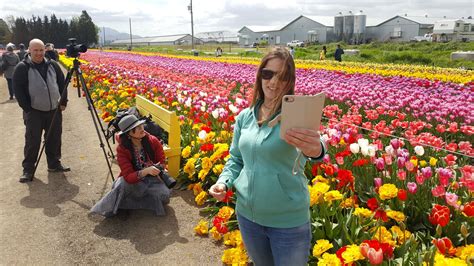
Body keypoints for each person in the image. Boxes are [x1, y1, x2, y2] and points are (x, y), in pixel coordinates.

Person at [208, 47, 326, 266]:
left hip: (287, 222)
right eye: (268, 74)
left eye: (282, 76)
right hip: (247, 216)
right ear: (260, 75)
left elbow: (317, 147)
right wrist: (223, 182)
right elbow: (236, 159)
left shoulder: (296, 114)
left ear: (290, 80)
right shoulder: (246, 116)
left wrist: (316, 150)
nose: (273, 82)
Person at [90, 114, 171, 217]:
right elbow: (128, 177)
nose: (142, 129)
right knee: (121, 184)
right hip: (133, 182)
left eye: (141, 125)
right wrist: (146, 171)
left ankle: (127, 203)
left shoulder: (152, 141)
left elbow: (162, 161)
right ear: (128, 134)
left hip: (151, 180)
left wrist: (160, 168)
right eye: (137, 128)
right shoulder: (122, 149)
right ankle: (118, 204)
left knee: (165, 195)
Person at [13, 38, 69, 183]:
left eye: (41, 50)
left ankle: (54, 164)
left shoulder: (53, 65)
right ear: (29, 51)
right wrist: (27, 109)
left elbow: (62, 83)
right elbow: (18, 90)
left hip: (54, 110)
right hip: (34, 111)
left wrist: (63, 102)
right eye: (35, 50)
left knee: (54, 138)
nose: (38, 53)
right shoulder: (22, 67)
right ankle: (28, 169)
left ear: (45, 50)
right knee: (33, 140)